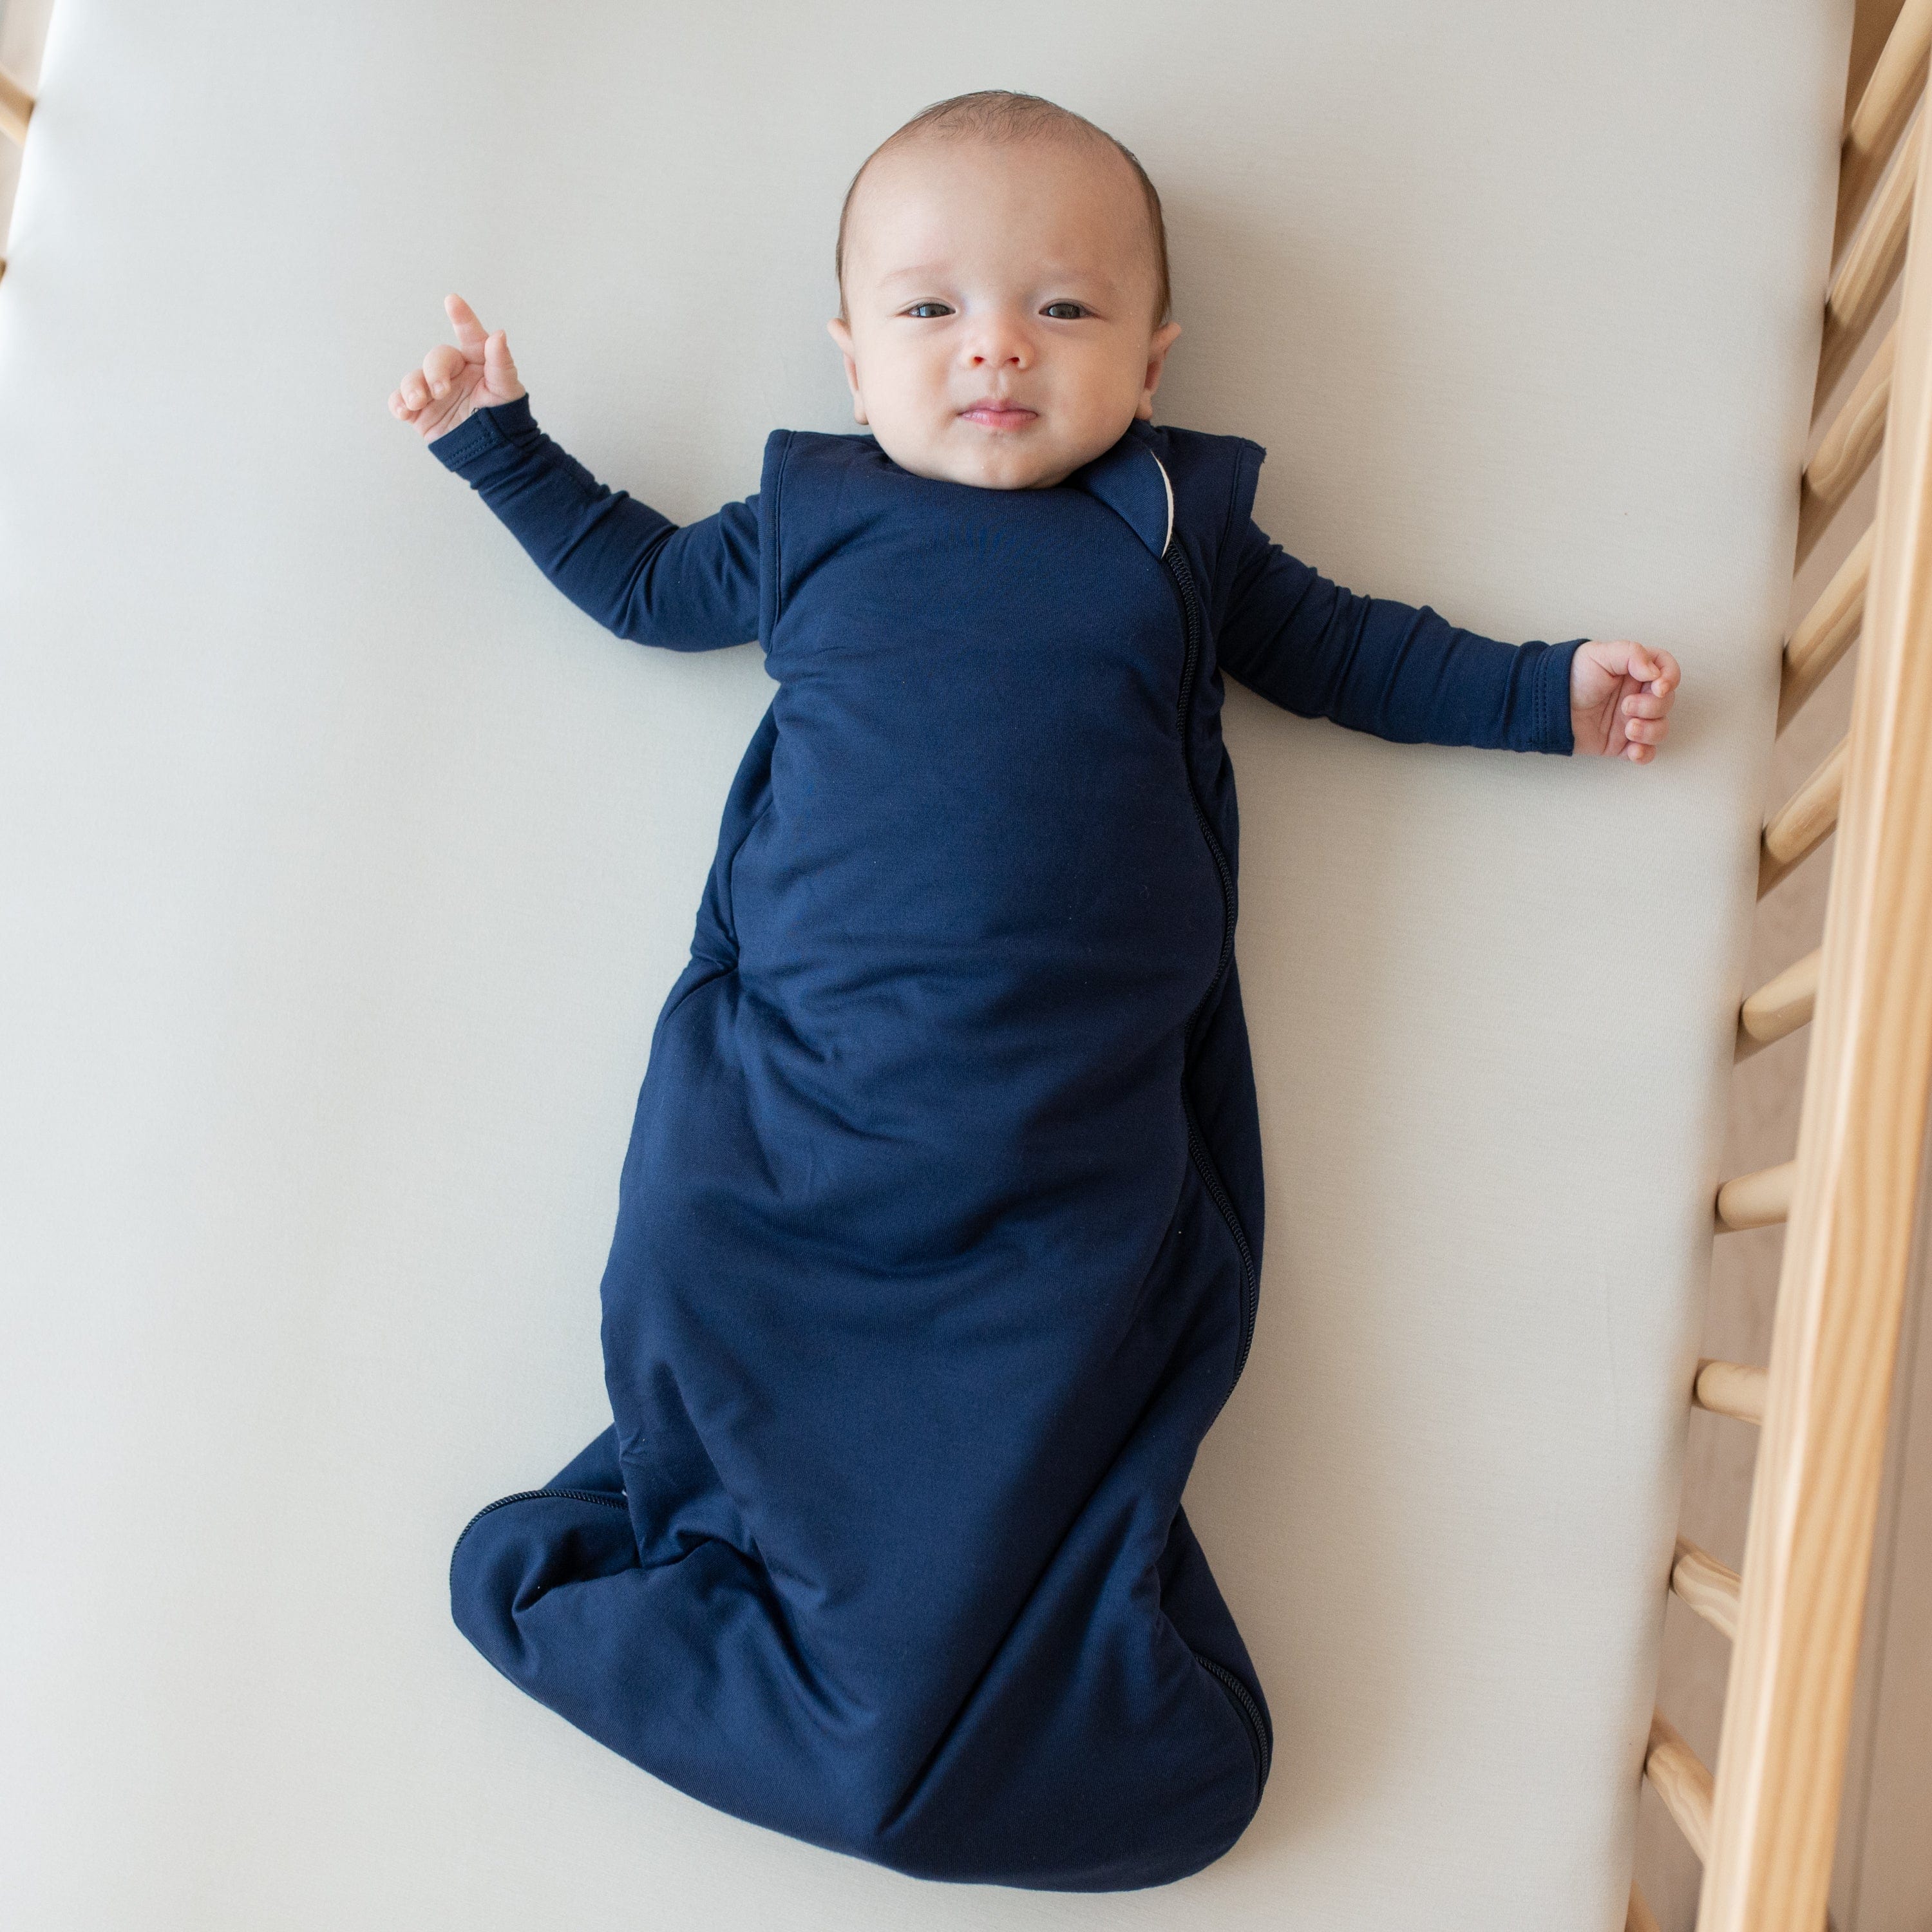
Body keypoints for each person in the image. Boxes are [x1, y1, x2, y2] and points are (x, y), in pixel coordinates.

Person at [387, 90, 1679, 1892]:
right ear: (852, 358)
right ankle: (772, 1613)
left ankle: (922, 1686)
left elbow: (1352, 651)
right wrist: (500, 446)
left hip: (1060, 1139)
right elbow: (644, 586)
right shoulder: (810, 520)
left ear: (1151, 358)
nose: (996, 343)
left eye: (1062, 311)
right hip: (798, 1111)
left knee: (1057, 1377)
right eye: (930, 313)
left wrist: (1543, 692)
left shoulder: (1174, 527)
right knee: (702, 1277)